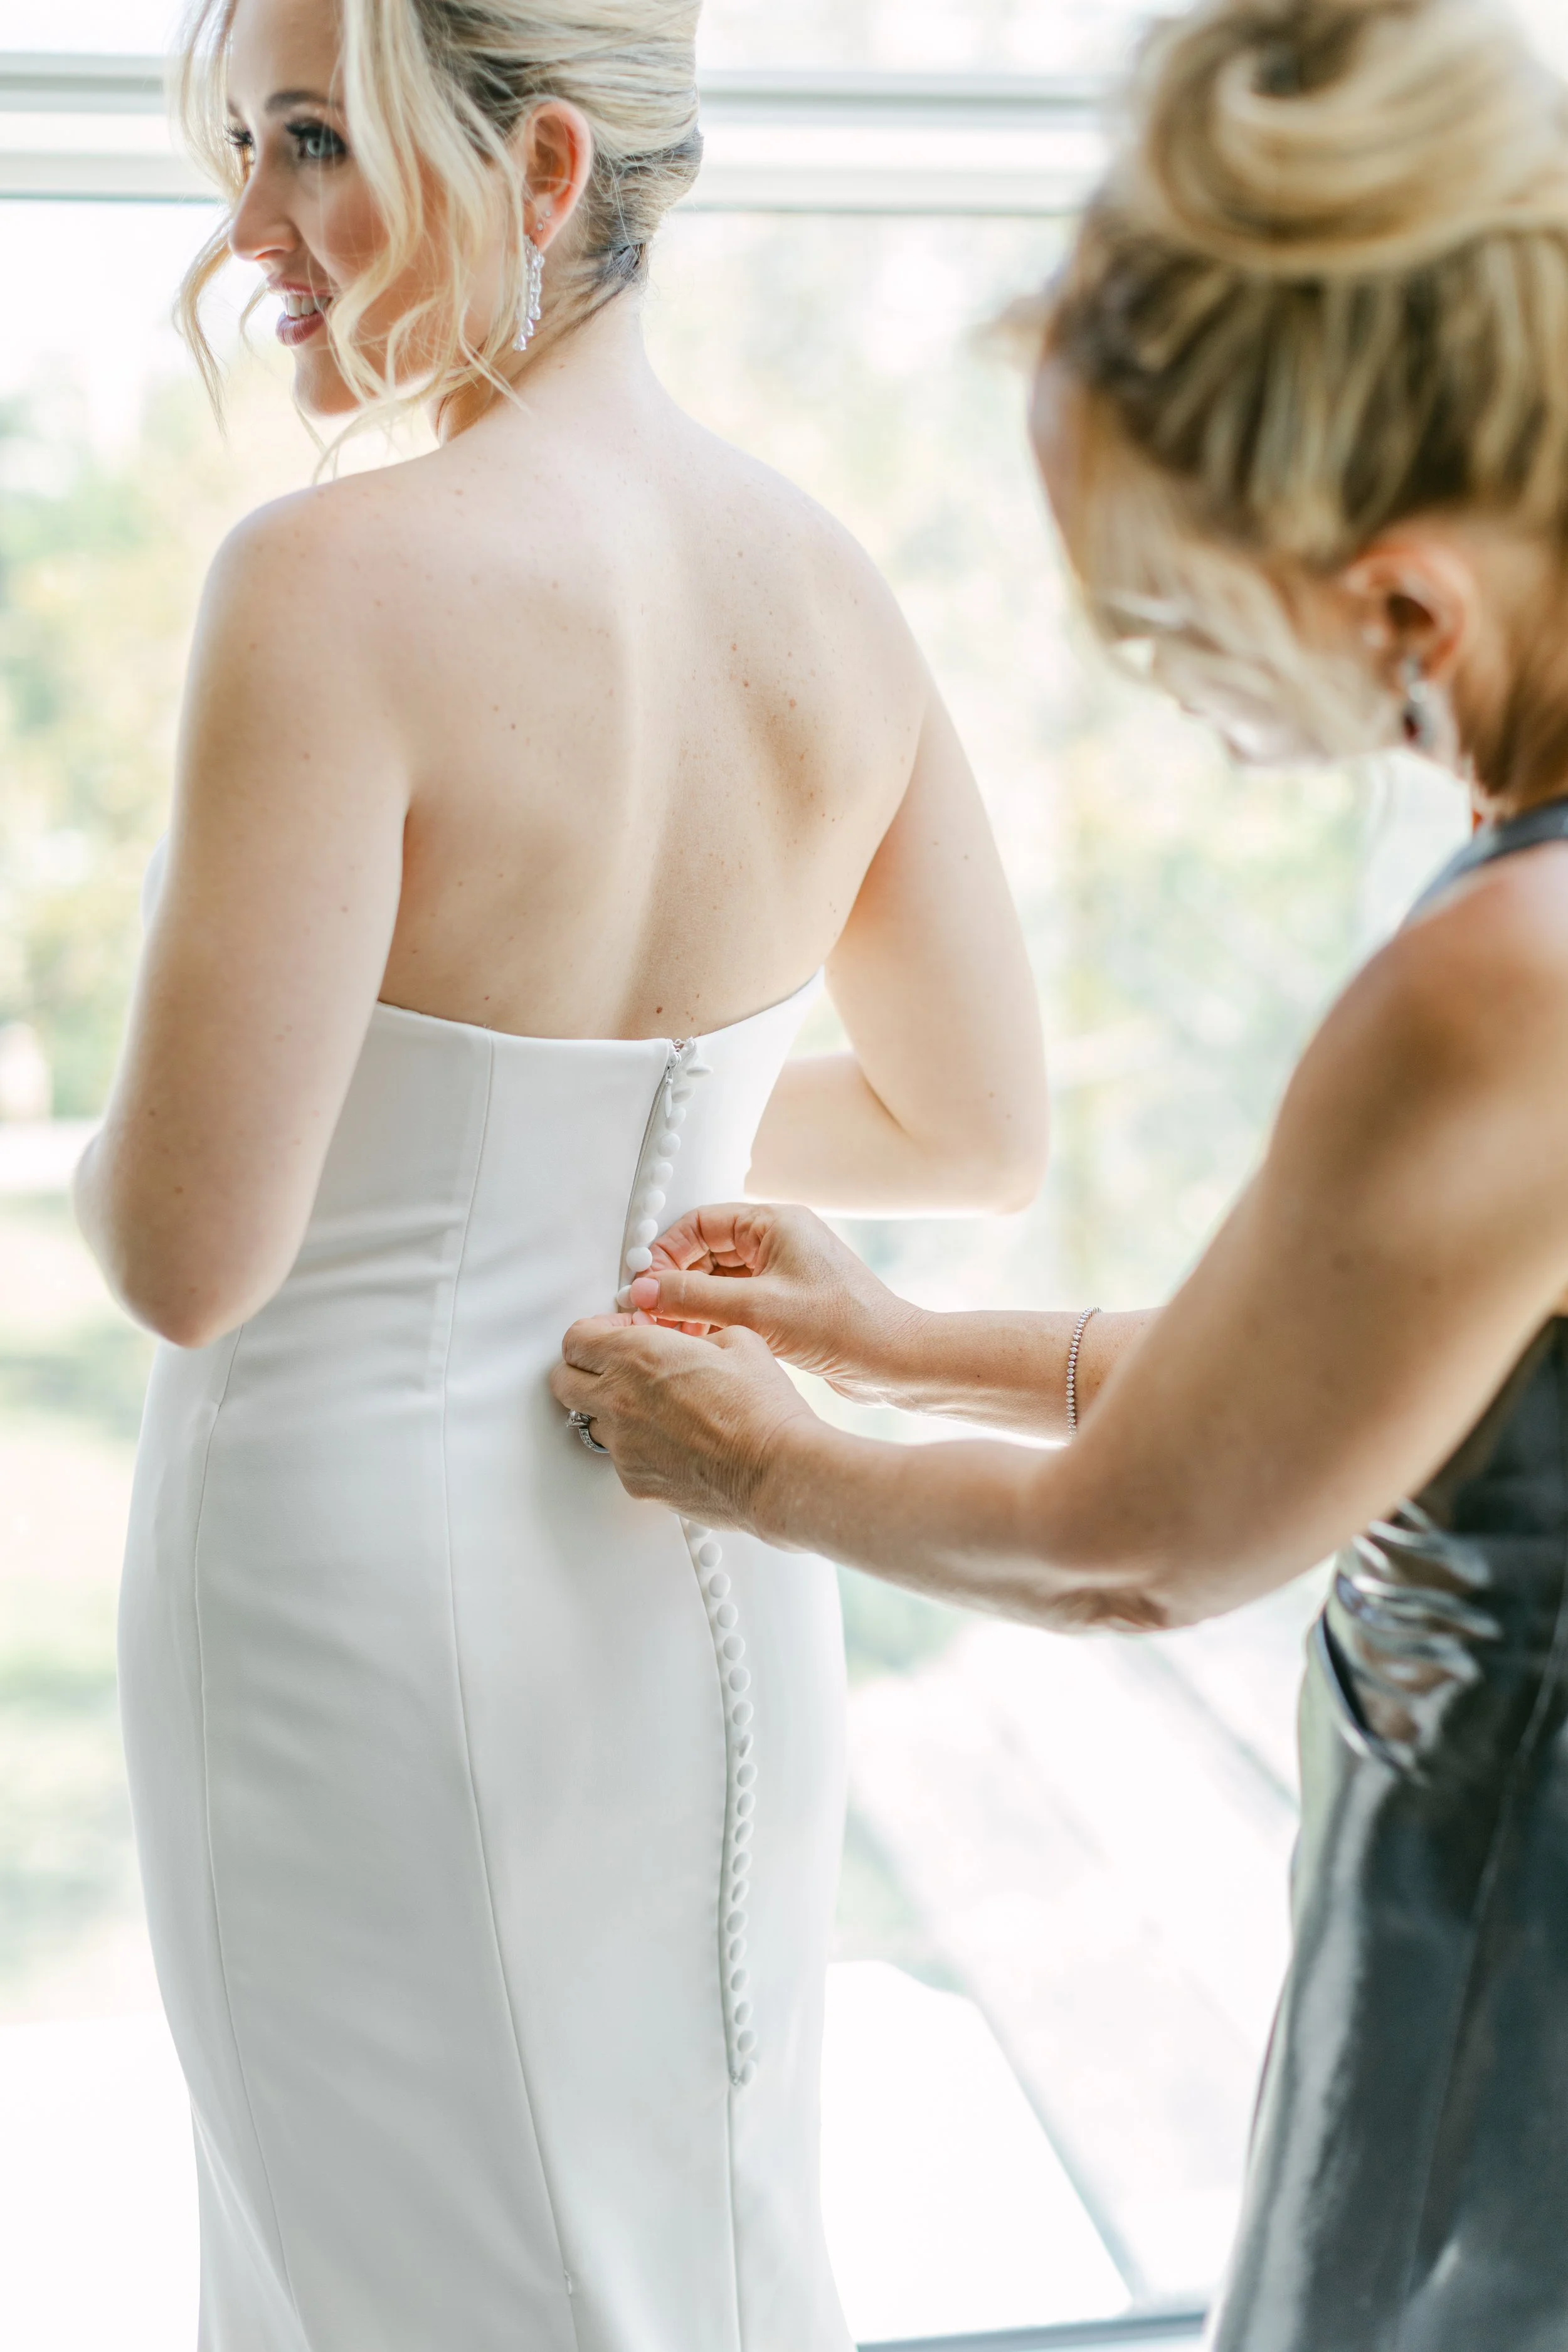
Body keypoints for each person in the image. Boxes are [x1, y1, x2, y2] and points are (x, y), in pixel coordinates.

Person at [552, 1, 1568, 2343]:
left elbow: (1151, 1537)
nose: (1195, 720)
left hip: (1511, 1989)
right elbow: (1329, 1373)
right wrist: (904, 1339)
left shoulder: (1498, 981)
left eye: (1190, 639)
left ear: (1401, 602)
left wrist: (770, 1461)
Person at [73, 1, 1046, 2344]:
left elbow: (192, 1245)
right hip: (704, 1575)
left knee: (388, 2272)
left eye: (315, 141)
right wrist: (625, 1122)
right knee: (681, 2241)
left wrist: (149, 1117)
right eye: (245, 145)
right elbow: (969, 1130)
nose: (251, 230)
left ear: (542, 175)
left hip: (349, 1598)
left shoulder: (328, 585)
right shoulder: (826, 586)